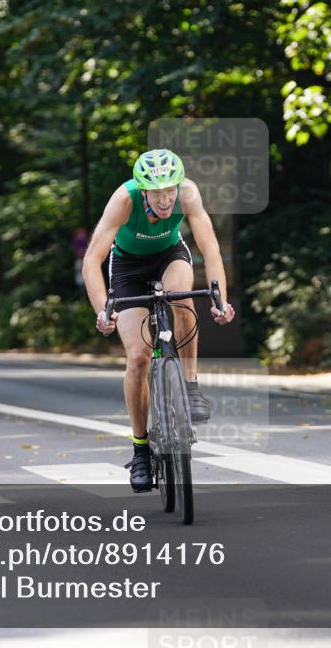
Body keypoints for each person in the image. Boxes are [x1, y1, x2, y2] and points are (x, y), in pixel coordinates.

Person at [81, 148, 236, 492]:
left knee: (181, 297)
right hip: (127, 268)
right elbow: (92, 260)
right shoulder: (124, 200)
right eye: (157, 192)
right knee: (137, 356)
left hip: (170, 255)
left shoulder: (188, 193)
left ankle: (191, 387)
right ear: (143, 190)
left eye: (170, 190)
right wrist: (102, 311)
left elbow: (210, 249)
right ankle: (140, 450)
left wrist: (220, 300)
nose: (166, 199)